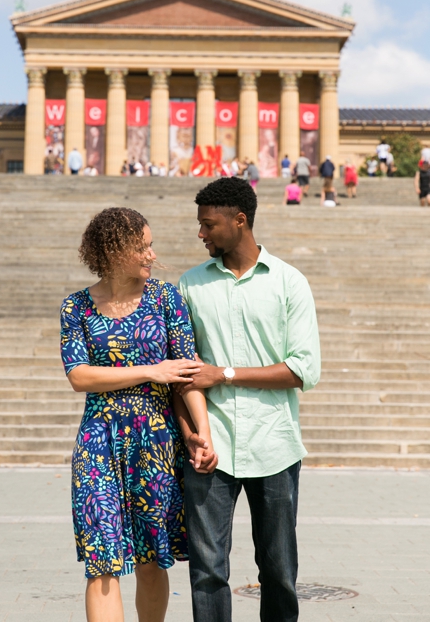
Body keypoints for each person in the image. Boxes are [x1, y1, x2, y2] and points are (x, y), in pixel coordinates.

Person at [176, 177, 321, 622]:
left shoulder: (289, 283)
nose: (201, 233)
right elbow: (180, 373)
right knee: (207, 572)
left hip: (273, 445)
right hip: (210, 447)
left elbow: (303, 370)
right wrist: (191, 436)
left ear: (240, 221)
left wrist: (226, 374)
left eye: (208, 224)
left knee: (278, 570)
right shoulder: (189, 286)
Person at [60, 207, 213, 622]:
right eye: (142, 246)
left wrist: (202, 432)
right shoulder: (76, 307)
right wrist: (151, 370)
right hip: (98, 442)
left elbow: (186, 373)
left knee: (150, 557)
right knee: (101, 558)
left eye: (150, 245)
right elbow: (79, 376)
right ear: (114, 251)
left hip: (157, 440)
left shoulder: (166, 298)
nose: (151, 254)